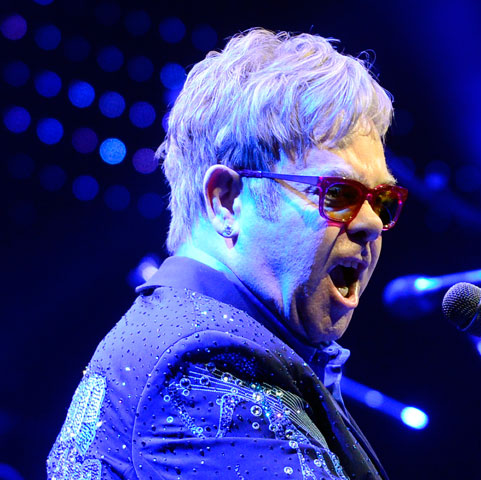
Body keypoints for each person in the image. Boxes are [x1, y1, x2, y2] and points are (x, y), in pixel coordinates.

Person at [47, 28, 408, 480]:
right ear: (226, 201)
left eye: (383, 200)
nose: (371, 222)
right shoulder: (198, 369)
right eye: (338, 193)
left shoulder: (209, 344)